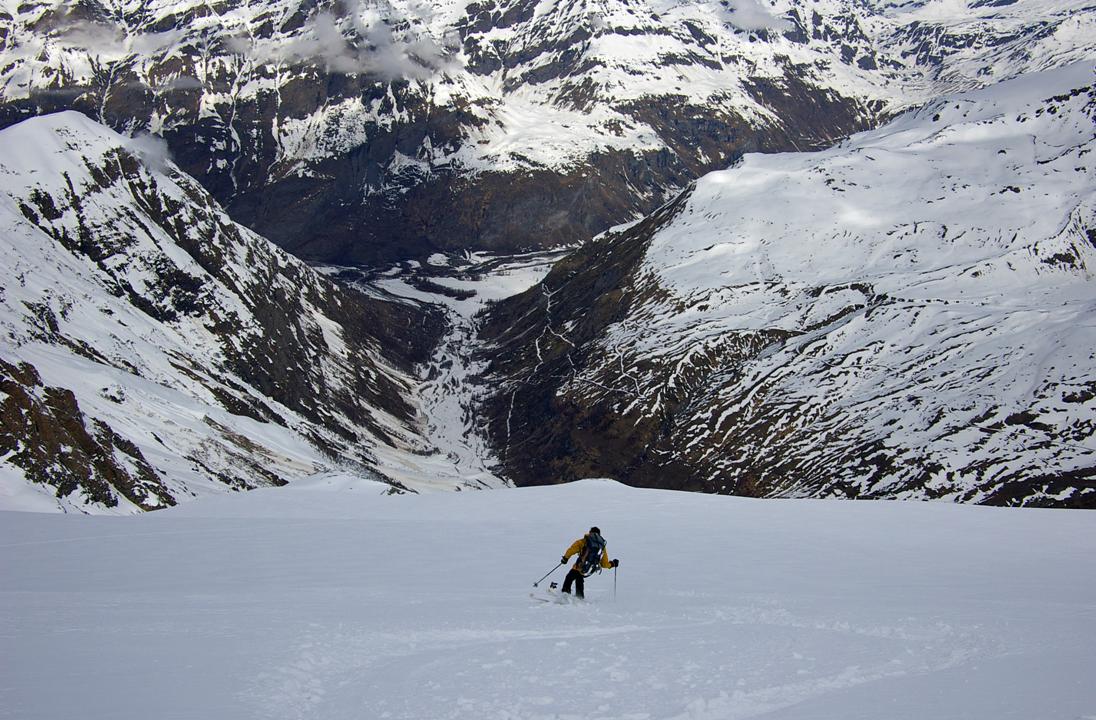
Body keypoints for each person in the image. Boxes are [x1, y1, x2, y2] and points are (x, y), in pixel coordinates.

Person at [560, 526, 619, 599]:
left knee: (569, 577)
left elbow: (572, 549)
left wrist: (565, 558)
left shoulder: (584, 541)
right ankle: (580, 598)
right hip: (588, 568)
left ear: (590, 532)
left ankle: (564, 595)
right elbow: (604, 564)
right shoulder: (601, 546)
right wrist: (612, 564)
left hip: (579, 565)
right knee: (579, 578)